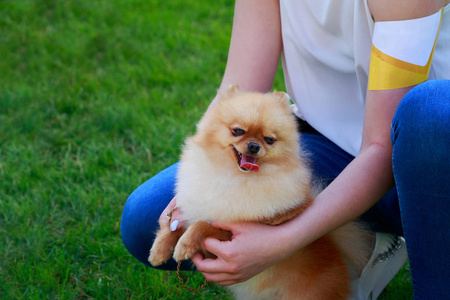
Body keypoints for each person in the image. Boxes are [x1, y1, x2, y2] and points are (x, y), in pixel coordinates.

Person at [121, 0, 450, 299]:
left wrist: (281, 242)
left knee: (429, 112)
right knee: (149, 217)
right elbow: (238, 89)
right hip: (326, 147)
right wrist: (194, 190)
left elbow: (381, 146)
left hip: (428, 160)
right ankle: (363, 245)